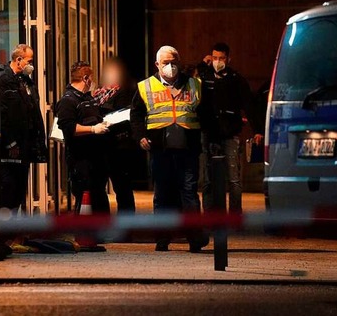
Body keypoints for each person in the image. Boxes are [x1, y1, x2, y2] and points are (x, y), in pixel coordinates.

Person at [130, 45, 208, 253]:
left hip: (188, 149)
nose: (171, 67)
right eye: (166, 63)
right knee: (163, 195)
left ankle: (194, 239)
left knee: (189, 194)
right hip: (160, 150)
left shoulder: (194, 85)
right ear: (157, 65)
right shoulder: (145, 87)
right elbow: (136, 115)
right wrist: (140, 137)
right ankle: (162, 239)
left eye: (174, 62)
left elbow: (205, 113)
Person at [197, 42, 263, 214]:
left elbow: (249, 105)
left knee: (233, 179)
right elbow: (189, 80)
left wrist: (257, 130)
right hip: (208, 132)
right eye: (215, 57)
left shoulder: (236, 79)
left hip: (230, 132)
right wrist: (202, 65)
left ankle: (235, 216)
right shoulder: (203, 77)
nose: (218, 61)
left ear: (228, 58)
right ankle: (210, 216)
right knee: (207, 178)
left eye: (221, 58)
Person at [56, 61, 111, 214]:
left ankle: (101, 230)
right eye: (91, 79)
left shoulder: (87, 98)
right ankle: (86, 232)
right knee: (85, 195)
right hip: (81, 158)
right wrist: (93, 129)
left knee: (98, 194)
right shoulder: (68, 100)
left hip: (96, 157)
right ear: (85, 78)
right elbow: (69, 127)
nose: (92, 83)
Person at [0, 44, 47, 212]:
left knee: (19, 190)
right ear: (18, 60)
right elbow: (2, 116)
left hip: (26, 145)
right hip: (11, 148)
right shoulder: (4, 80)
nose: (31, 65)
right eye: (29, 61)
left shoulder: (26, 82)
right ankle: (4, 233)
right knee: (9, 190)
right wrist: (10, 143)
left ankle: (14, 232)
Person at [98, 57, 136, 213]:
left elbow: (127, 115)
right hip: (103, 146)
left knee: (122, 188)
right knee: (100, 187)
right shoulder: (100, 92)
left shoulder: (127, 92)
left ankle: (126, 226)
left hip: (120, 146)